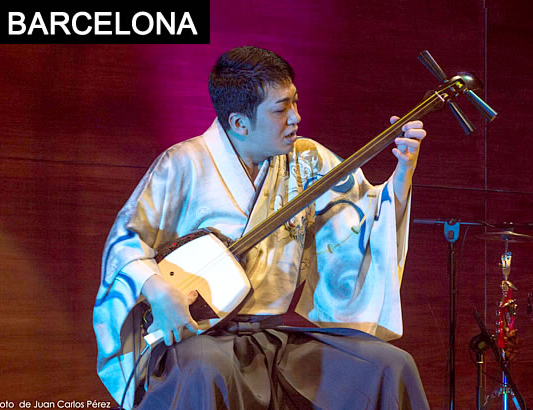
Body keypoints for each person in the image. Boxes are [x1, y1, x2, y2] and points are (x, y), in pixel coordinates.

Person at [93, 46, 430, 409]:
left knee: (389, 365)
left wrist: (401, 176)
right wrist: (159, 292)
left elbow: (359, 223)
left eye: (295, 102)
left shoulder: (307, 160)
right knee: (207, 369)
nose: (296, 117)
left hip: (274, 337)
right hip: (203, 338)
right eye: (281, 109)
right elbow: (125, 244)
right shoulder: (184, 164)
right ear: (240, 123)